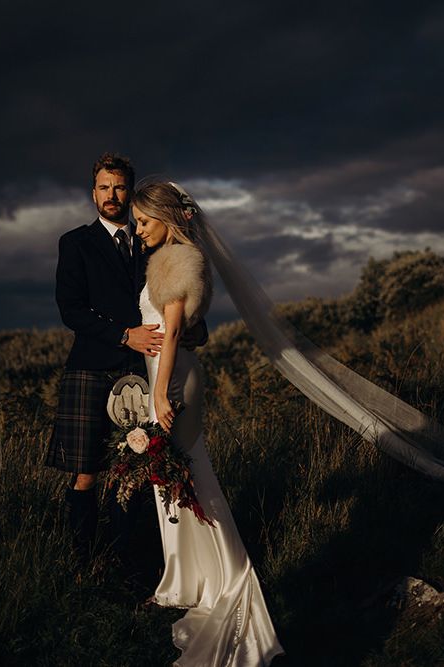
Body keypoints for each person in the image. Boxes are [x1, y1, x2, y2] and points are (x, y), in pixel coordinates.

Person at [131, 181, 285, 666]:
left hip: (173, 379)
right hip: (167, 373)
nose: (138, 231)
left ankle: (226, 575)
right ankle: (189, 578)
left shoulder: (177, 258)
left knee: (192, 477)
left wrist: (159, 393)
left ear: (167, 218)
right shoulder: (171, 256)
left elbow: (173, 328)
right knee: (175, 481)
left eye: (144, 221)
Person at [46, 152, 181, 565]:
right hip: (90, 367)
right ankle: (84, 564)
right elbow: (71, 309)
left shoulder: (150, 239)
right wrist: (125, 335)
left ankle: (124, 561)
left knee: (133, 470)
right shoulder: (76, 243)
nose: (112, 194)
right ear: (93, 193)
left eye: (119, 186)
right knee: (86, 471)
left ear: (130, 190)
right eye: (104, 187)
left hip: (139, 372)